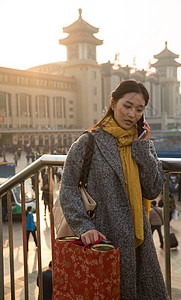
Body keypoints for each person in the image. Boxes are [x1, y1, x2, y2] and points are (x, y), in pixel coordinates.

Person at [59, 80, 169, 299]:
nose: (132, 114)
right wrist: (83, 226)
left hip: (140, 242)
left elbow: (153, 189)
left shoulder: (142, 143)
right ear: (113, 103)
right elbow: (68, 188)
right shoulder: (88, 141)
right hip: (103, 240)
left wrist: (142, 151)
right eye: (127, 106)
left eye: (139, 110)